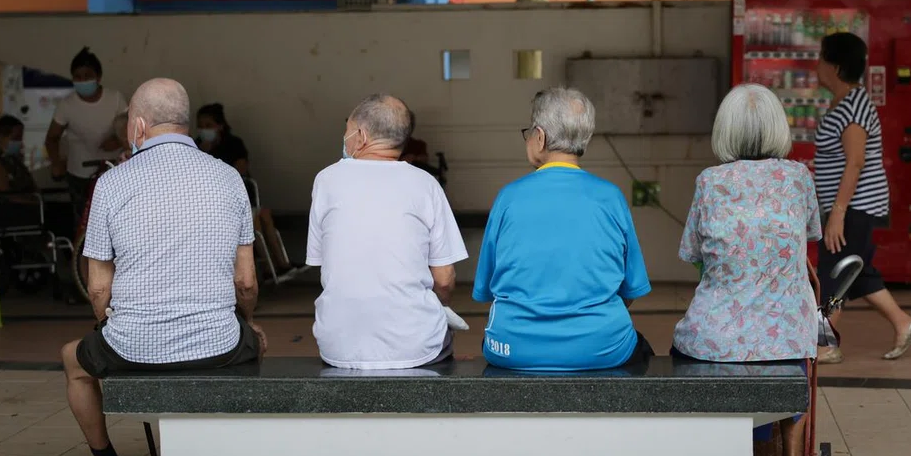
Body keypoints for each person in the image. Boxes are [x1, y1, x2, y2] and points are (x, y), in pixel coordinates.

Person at [59, 79, 266, 456]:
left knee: (72, 362)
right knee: (256, 340)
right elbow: (245, 282)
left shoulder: (112, 184)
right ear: (184, 123)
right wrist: (242, 322)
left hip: (131, 346)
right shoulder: (228, 178)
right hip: (218, 346)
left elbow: (99, 289)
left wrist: (115, 328)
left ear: (137, 126)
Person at [674, 83, 820, 456]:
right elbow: (808, 233)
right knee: (796, 358)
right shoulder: (798, 177)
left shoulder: (709, 181)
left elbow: (692, 253)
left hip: (714, 338)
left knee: (686, 343)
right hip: (788, 336)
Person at [472, 87, 653, 372]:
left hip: (513, 349)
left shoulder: (509, 197)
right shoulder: (610, 197)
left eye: (529, 132)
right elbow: (630, 289)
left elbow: (488, 289)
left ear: (540, 137)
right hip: (602, 348)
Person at [306, 93, 467, 369]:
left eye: (347, 132)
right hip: (416, 346)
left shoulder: (326, 180)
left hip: (338, 345)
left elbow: (322, 264)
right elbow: (444, 278)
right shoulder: (425, 184)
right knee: (439, 333)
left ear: (361, 135)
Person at [814, 33, 911, 363]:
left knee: (836, 270)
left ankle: (826, 344)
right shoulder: (845, 102)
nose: (816, 66)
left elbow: (856, 161)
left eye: (821, 59)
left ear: (834, 66)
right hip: (849, 205)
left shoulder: (853, 106)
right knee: (856, 272)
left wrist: (837, 213)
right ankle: (904, 323)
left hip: (854, 207)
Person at [196, 103, 299, 276]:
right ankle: (268, 268)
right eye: (201, 126)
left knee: (264, 214)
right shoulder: (196, 147)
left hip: (236, 197)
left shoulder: (233, 144)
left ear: (219, 126)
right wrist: (203, 153)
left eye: (208, 126)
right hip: (213, 203)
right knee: (255, 222)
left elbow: (240, 171)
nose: (204, 130)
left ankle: (282, 264)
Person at [44, 47, 127, 226]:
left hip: (113, 169)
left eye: (87, 76)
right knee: (84, 224)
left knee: (116, 221)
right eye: (77, 77)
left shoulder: (116, 98)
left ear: (98, 77)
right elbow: (52, 138)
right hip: (79, 174)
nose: (82, 81)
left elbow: (130, 127)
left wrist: (119, 140)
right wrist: (56, 162)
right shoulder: (66, 105)